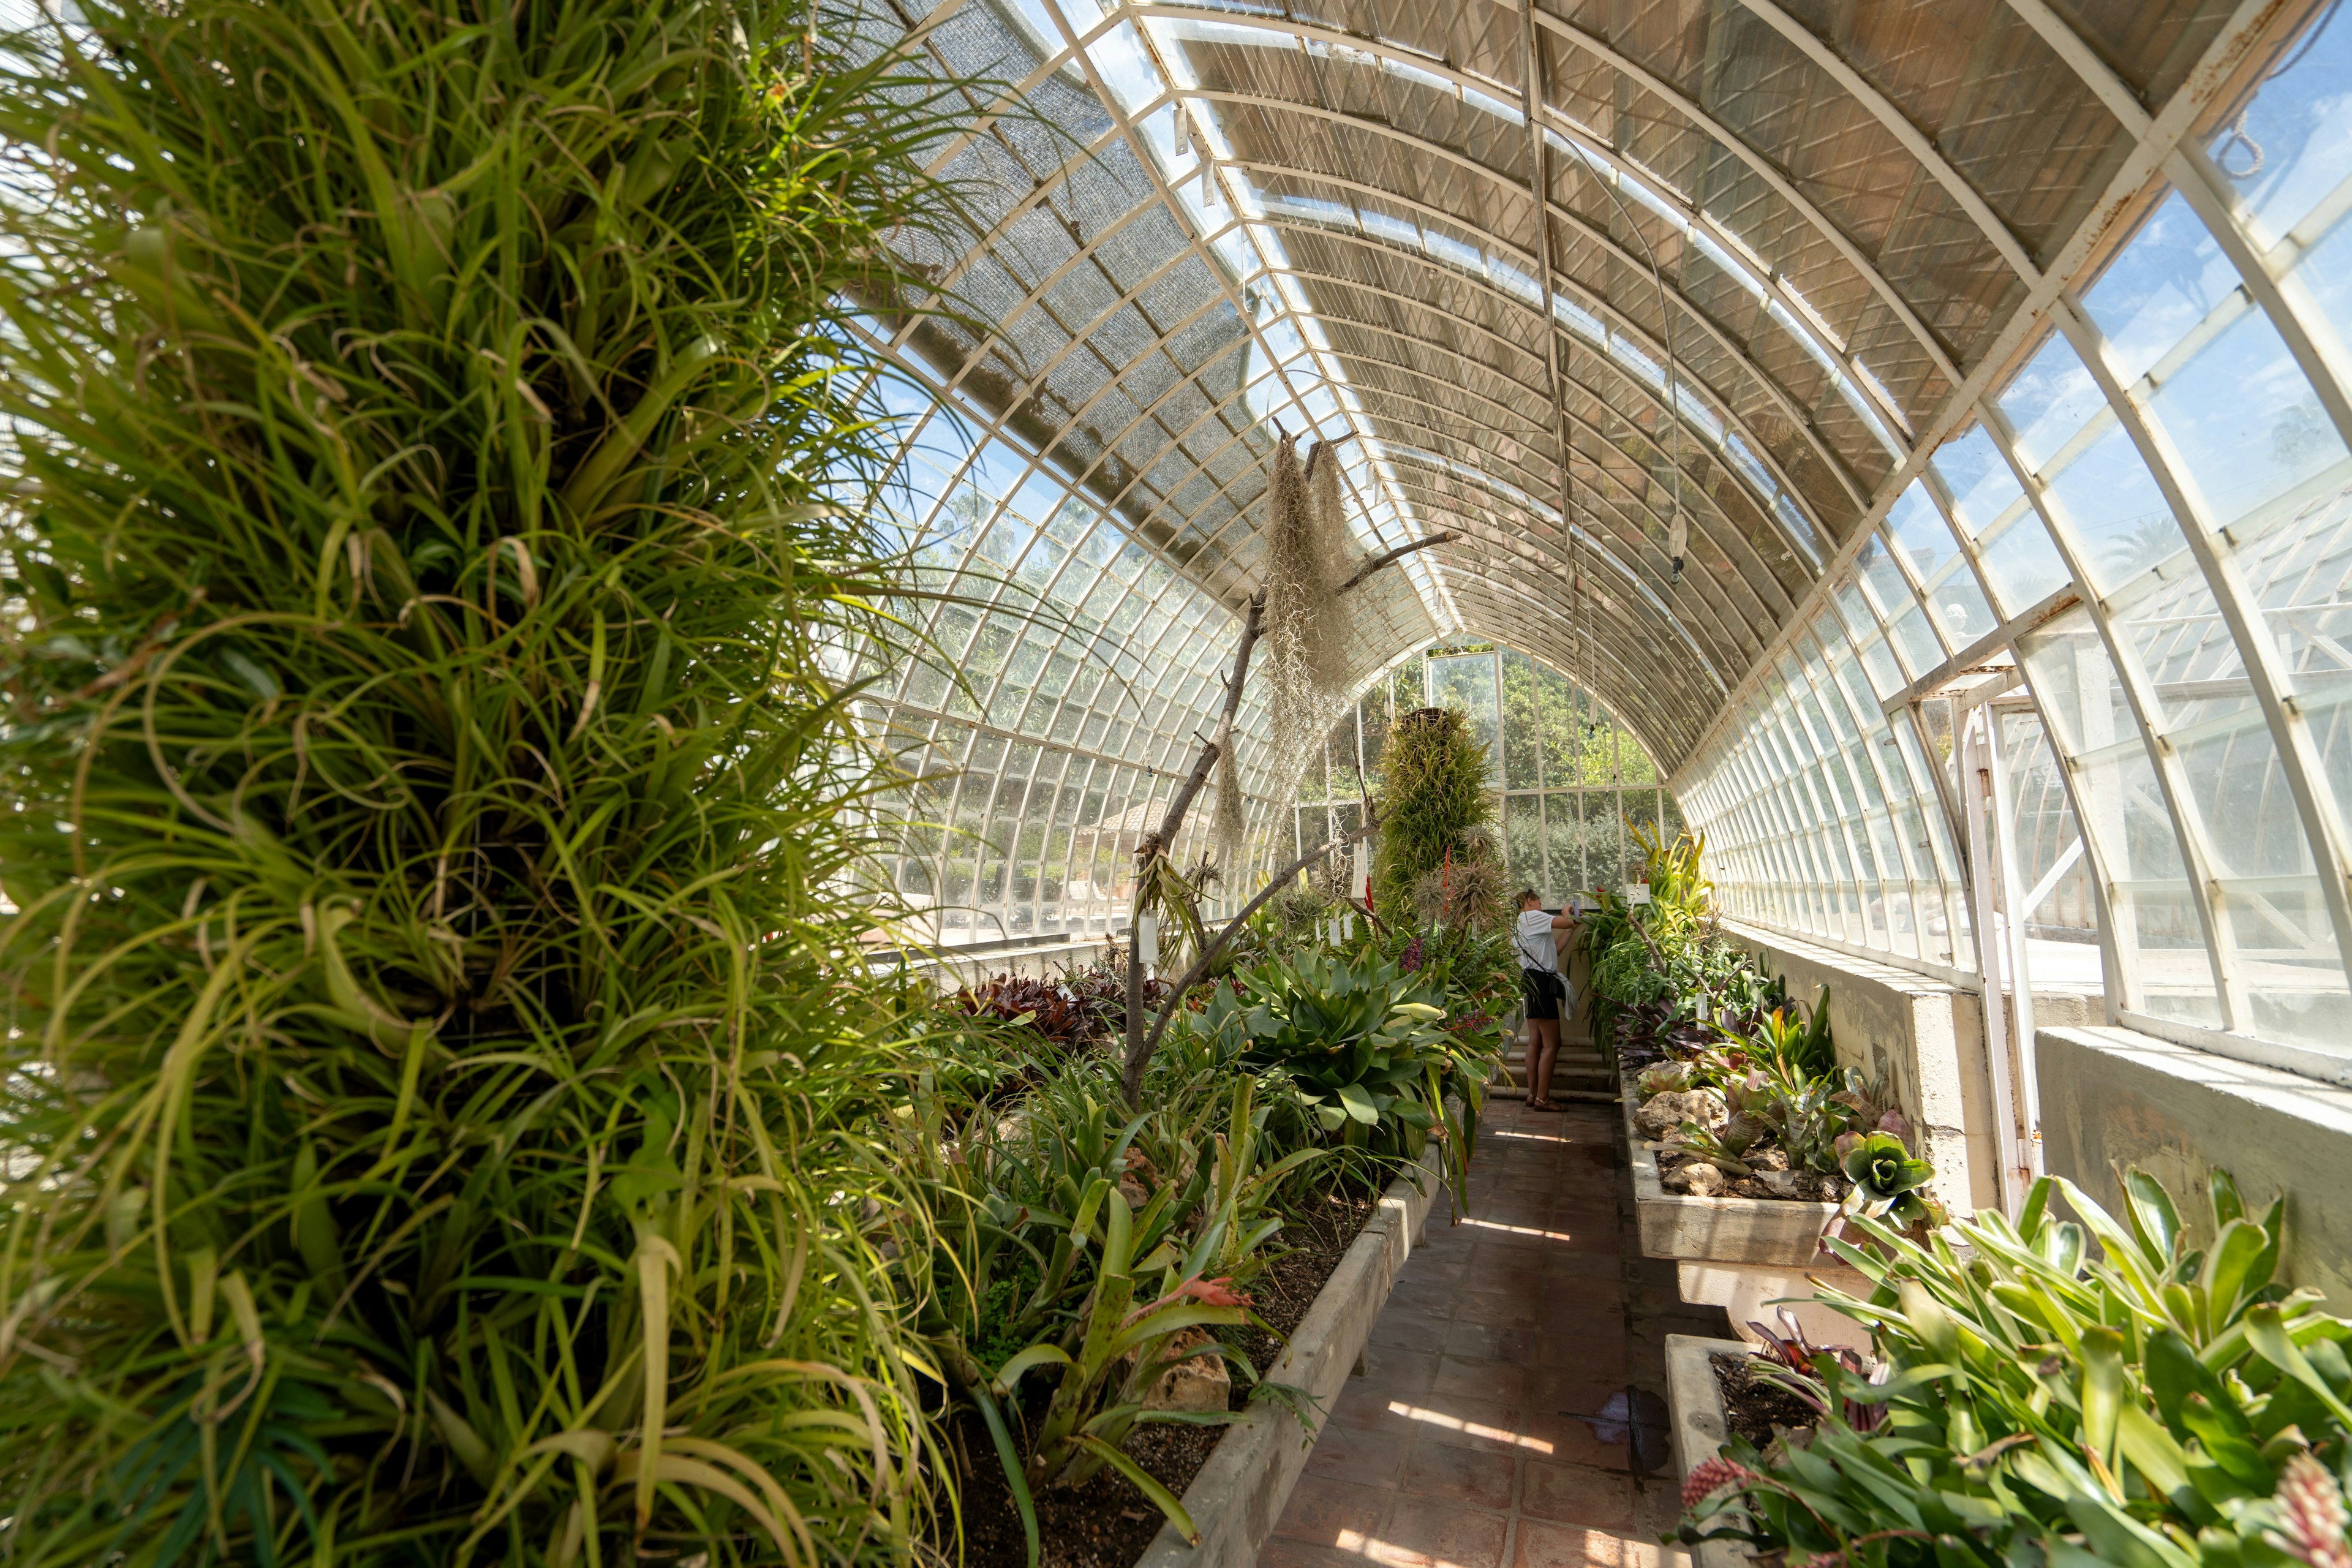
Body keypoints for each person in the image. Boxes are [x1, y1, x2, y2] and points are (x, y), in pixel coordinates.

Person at [1515, 889, 1578, 1111]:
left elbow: (1556, 952)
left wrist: (1570, 929)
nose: (1542, 907)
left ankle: (1533, 1095)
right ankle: (1543, 1098)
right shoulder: (1530, 915)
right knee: (1553, 1044)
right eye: (1540, 902)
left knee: (1536, 1042)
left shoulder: (1520, 923)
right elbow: (1567, 923)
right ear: (1530, 901)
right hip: (1541, 982)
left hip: (1531, 980)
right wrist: (1566, 913)